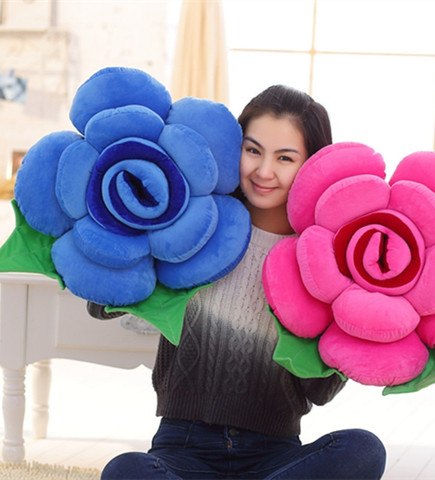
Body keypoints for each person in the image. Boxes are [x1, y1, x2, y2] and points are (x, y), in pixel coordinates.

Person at [89, 85, 387, 479]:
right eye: (253, 150)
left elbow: (320, 391)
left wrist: (357, 320)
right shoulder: (196, 225)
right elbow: (98, 306)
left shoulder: (325, 262)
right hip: (181, 450)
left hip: (273, 457)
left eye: (285, 158)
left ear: (311, 165)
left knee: (363, 448)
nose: (264, 171)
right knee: (124, 470)